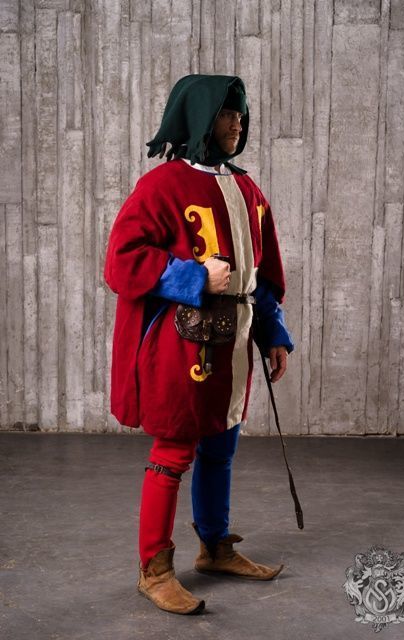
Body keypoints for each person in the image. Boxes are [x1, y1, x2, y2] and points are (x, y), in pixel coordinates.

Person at [104, 74, 294, 615]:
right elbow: (121, 261)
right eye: (227, 113)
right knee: (174, 450)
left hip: (234, 342)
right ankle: (154, 569)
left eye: (241, 113)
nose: (238, 123)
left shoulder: (248, 190)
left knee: (221, 445)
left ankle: (214, 548)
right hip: (180, 344)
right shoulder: (162, 185)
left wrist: (273, 333)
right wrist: (192, 276)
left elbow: (261, 276)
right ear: (200, 119)